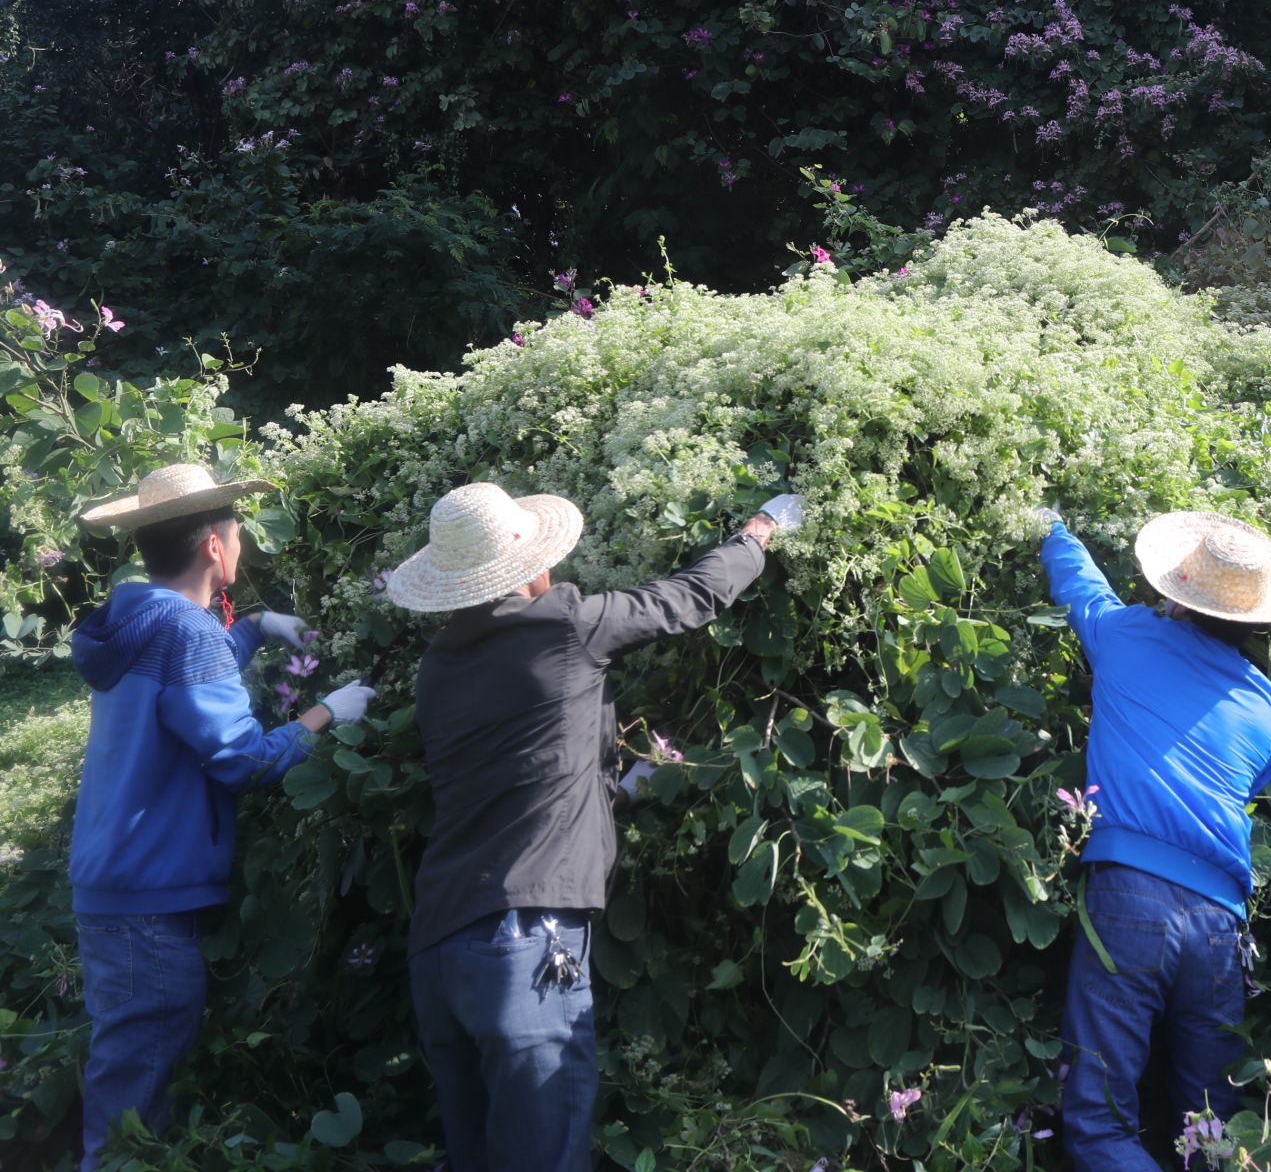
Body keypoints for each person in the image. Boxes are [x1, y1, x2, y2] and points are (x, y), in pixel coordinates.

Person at [384, 481, 804, 1172]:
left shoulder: (437, 668)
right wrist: (759, 531)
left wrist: (612, 789)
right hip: (524, 940)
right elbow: (687, 598)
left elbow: (522, 771)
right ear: (533, 569)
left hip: (439, 947)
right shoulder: (564, 624)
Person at [69, 463, 374, 1170]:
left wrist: (261, 626)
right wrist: (330, 712)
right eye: (237, 531)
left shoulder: (135, 620)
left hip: (114, 885)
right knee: (132, 1117)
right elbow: (245, 761)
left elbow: (183, 676)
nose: (242, 543)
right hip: (152, 898)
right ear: (213, 543)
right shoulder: (186, 633)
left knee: (125, 1082)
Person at [1036, 507, 1271, 1172]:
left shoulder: (1127, 635)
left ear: (1176, 591)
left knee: (1101, 1125)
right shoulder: (1269, 708)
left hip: (1129, 898)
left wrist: (1054, 527)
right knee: (1215, 1134)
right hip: (1220, 924)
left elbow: (1080, 586)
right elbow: (1250, 780)